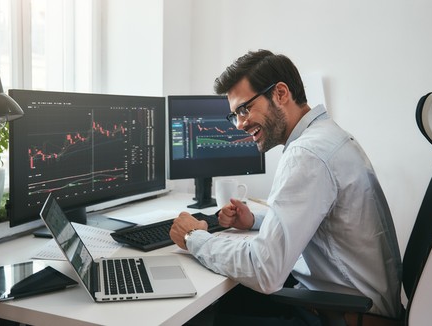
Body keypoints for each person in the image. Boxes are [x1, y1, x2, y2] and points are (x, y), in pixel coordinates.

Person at [169, 49, 403, 325]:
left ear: (280, 94)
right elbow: (321, 215)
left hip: (346, 316)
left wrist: (193, 238)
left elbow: (264, 271)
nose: (241, 124)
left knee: (199, 317)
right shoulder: (328, 137)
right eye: (235, 115)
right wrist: (255, 220)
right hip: (358, 305)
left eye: (244, 109)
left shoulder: (307, 155)